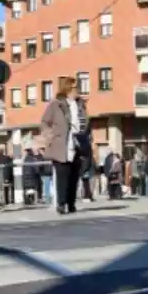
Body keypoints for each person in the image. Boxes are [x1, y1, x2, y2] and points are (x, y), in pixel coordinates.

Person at [39, 76, 87, 215]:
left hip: (77, 143)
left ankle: (71, 204)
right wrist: (50, 135)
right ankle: (61, 204)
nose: (78, 90)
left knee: (74, 176)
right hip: (61, 145)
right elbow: (44, 122)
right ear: (68, 88)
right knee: (62, 176)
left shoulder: (80, 104)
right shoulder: (56, 104)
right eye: (75, 87)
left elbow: (85, 122)